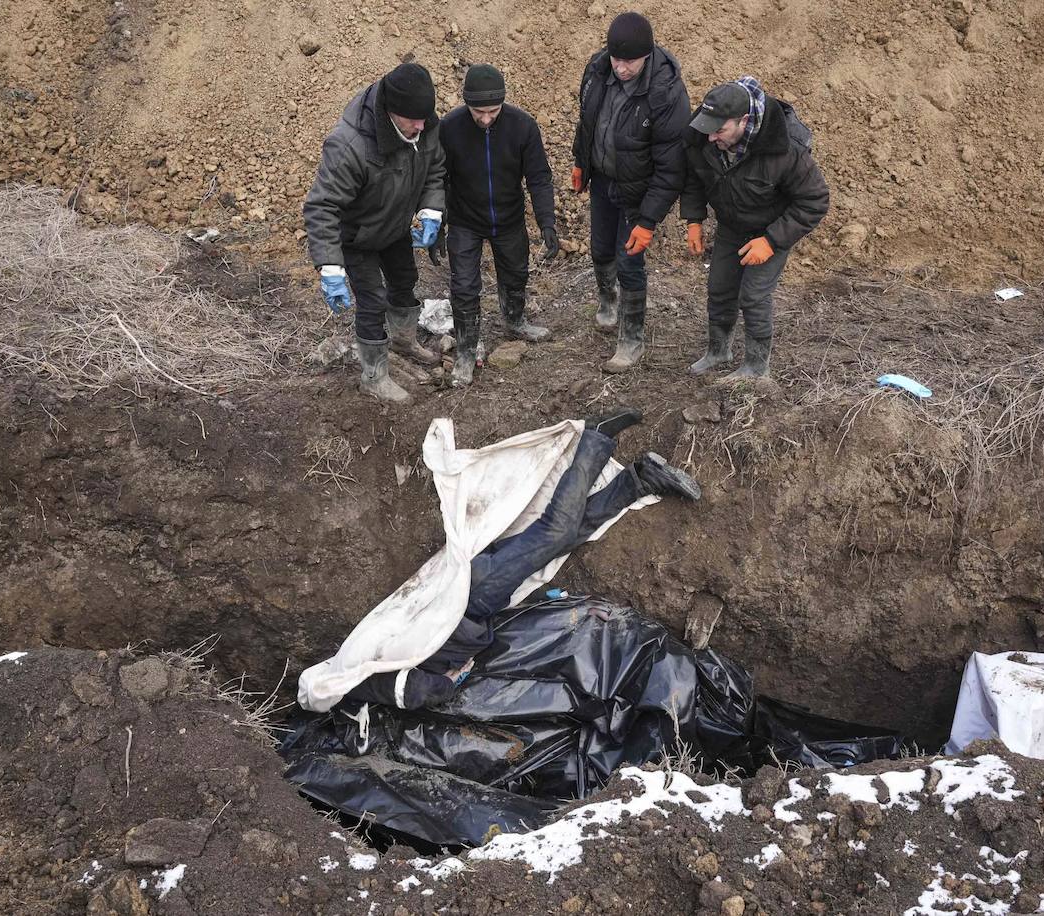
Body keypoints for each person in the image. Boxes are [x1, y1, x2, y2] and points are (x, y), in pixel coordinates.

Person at [345, 408, 702, 710]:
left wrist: (449, 683)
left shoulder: (355, 685)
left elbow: (419, 690)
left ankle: (596, 437)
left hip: (470, 596)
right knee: (567, 536)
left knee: (556, 532)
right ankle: (640, 480)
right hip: (471, 596)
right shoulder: (361, 668)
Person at [303, 63, 447, 405]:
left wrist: (431, 209)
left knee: (405, 281)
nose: (420, 126)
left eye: (424, 117)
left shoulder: (423, 124)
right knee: (372, 300)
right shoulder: (350, 145)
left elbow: (435, 169)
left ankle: (402, 340)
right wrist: (329, 267)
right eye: (412, 120)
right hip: (356, 237)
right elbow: (322, 207)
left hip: (393, 226)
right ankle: (374, 376)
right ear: (390, 111)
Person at [679, 78, 830, 380]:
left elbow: (814, 200)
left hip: (771, 229)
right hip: (732, 226)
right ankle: (719, 350)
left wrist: (772, 241)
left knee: (754, 296)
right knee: (720, 288)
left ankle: (756, 367)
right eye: (709, 130)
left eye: (719, 131)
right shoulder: (704, 132)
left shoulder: (785, 149)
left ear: (743, 121)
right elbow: (694, 176)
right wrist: (694, 219)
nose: (711, 138)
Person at [570, 11, 691, 373]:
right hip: (603, 179)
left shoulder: (666, 94)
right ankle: (607, 304)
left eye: (630, 62)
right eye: (616, 59)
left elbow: (672, 169)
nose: (621, 68)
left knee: (629, 262)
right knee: (600, 249)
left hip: (637, 192)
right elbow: (587, 122)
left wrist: (649, 221)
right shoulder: (597, 70)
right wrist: (581, 161)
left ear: (647, 55)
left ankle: (631, 339)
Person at [438, 65, 559, 388]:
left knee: (516, 272)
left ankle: (515, 320)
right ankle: (465, 350)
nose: (487, 118)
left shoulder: (522, 127)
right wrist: (437, 222)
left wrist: (547, 221)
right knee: (463, 286)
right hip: (465, 219)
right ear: (467, 105)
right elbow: (437, 179)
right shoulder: (449, 128)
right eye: (479, 112)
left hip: (508, 218)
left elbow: (538, 177)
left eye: (493, 111)